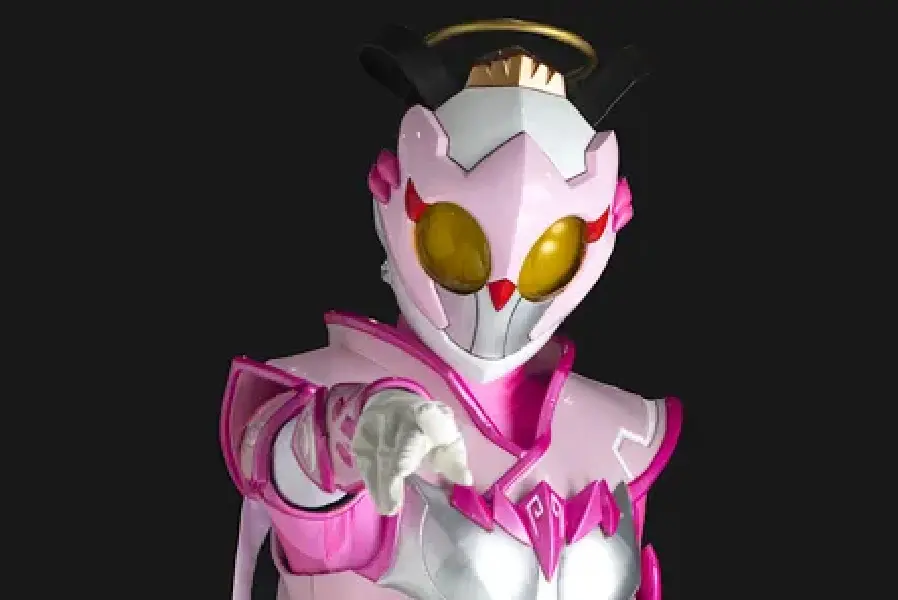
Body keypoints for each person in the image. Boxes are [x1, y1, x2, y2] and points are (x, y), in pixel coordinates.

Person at [220, 19, 682, 600]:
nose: (501, 292)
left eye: (548, 251)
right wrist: (345, 428)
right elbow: (288, 470)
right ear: (391, 195)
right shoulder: (326, 401)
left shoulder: (619, 435)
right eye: (460, 243)